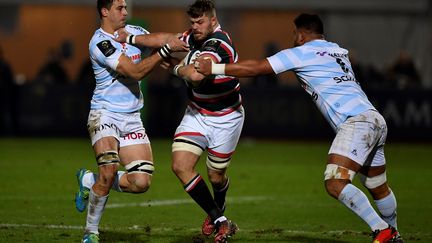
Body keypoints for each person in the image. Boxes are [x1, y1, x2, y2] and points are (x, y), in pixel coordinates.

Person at [195, 13, 403, 243]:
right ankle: (395, 234)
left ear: (302, 34)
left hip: (357, 122)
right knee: (376, 185)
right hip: (375, 119)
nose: (293, 38)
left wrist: (214, 68)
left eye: (294, 33)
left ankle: (382, 230)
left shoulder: (302, 52)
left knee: (335, 183)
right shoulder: (337, 50)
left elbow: (257, 67)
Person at [74, 0, 188, 242]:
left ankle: (88, 179)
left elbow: (159, 39)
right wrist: (166, 51)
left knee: (140, 182)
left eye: (125, 7)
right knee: (109, 170)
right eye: (119, 8)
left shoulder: (134, 32)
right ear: (105, 11)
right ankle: (90, 233)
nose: (125, 12)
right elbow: (134, 72)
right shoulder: (100, 43)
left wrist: (188, 41)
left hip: (132, 117)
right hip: (105, 114)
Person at [168, 0, 243, 242]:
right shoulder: (194, 36)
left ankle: (219, 209)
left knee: (216, 177)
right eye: (192, 22)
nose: (195, 27)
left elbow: (197, 76)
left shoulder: (220, 44)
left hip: (226, 117)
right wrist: (131, 38)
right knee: (180, 165)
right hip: (197, 113)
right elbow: (166, 40)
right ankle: (220, 220)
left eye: (200, 22)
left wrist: (177, 68)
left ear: (213, 20)